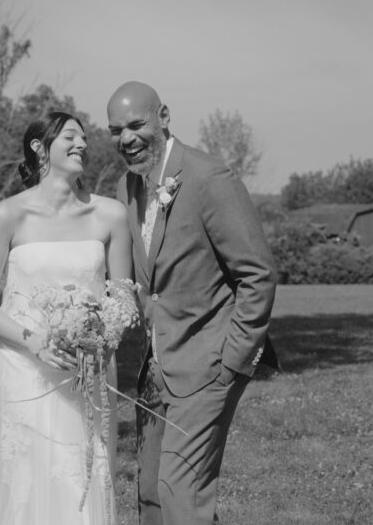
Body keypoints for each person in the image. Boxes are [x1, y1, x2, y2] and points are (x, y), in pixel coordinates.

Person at [106, 81, 278, 525]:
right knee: (150, 493)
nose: (126, 138)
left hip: (209, 362)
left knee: (180, 490)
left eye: (136, 125)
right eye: (116, 130)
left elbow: (257, 274)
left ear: (163, 117)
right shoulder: (127, 186)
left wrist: (233, 360)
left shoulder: (208, 178)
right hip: (155, 366)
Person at [0, 111, 133, 525]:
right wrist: (35, 341)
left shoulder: (111, 215)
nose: (82, 144)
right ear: (40, 148)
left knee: (83, 478)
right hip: (23, 368)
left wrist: (101, 341)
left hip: (88, 370)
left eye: (84, 138)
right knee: (29, 479)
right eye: (70, 137)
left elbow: (123, 297)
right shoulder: (7, 215)